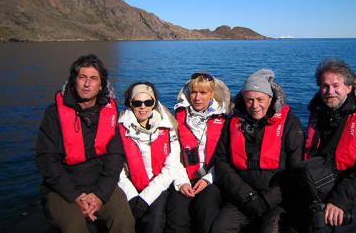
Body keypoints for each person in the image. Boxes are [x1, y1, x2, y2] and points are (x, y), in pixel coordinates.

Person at [36, 54, 135, 233]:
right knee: (74, 227)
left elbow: (116, 157)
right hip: (63, 189)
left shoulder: (109, 114)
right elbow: (46, 160)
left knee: (124, 219)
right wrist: (75, 196)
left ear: (101, 85)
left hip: (100, 186)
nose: (87, 84)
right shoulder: (54, 115)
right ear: (74, 81)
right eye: (82, 77)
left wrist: (99, 195)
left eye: (93, 78)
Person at [302, 59, 356, 232]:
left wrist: (339, 201)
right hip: (323, 184)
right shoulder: (318, 117)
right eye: (325, 86)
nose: (330, 91)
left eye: (336, 85)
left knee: (322, 227)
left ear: (349, 88)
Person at [212, 69, 305, 232]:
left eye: (260, 99)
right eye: (249, 100)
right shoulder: (233, 122)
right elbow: (221, 162)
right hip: (240, 197)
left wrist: (267, 199)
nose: (255, 106)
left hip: (276, 200)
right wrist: (246, 196)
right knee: (219, 228)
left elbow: (296, 170)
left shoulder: (290, 124)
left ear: (270, 99)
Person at [118, 82, 190, 233]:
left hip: (158, 185)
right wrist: (132, 197)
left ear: (154, 104)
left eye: (148, 102)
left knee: (155, 220)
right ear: (130, 104)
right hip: (130, 186)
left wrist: (145, 199)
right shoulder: (119, 130)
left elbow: (172, 166)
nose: (143, 107)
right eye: (137, 103)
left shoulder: (167, 128)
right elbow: (117, 169)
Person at [166, 72, 232, 233]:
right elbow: (173, 155)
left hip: (212, 176)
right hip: (183, 175)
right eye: (194, 92)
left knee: (207, 212)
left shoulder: (225, 119)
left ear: (212, 95)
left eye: (203, 93)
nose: (197, 97)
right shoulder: (178, 117)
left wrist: (209, 179)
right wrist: (182, 182)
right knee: (176, 216)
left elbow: (226, 156)